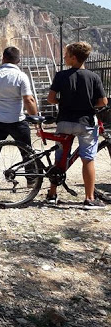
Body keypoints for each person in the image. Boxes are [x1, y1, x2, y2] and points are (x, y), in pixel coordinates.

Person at [46, 42, 108, 207]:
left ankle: (52, 194)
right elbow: (103, 101)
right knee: (88, 159)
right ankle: (89, 198)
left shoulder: (61, 76)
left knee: (59, 159)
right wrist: (88, 105)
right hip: (85, 123)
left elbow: (51, 99)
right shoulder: (93, 77)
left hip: (64, 122)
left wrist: (62, 102)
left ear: (73, 58)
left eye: (66, 54)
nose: (64, 57)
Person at [0, 46, 38, 194]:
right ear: (18, 60)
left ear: (3, 58)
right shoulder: (21, 76)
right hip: (17, 119)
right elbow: (28, 99)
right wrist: (36, 120)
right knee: (27, 151)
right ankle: (31, 179)